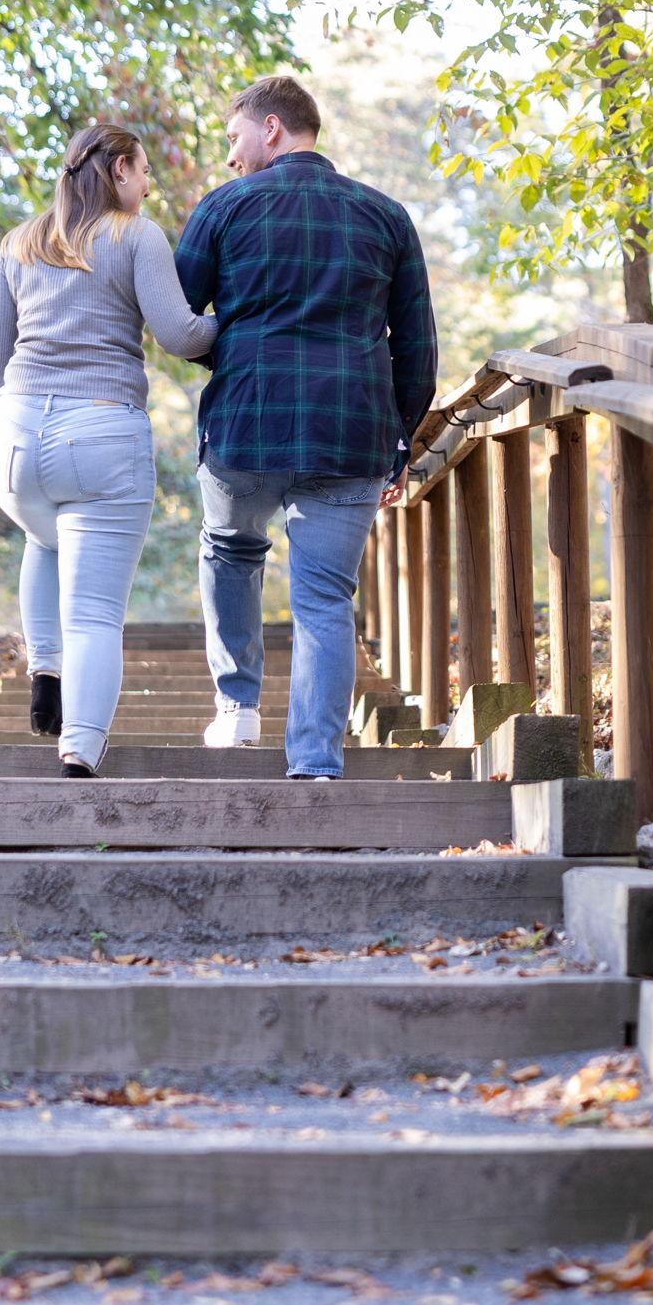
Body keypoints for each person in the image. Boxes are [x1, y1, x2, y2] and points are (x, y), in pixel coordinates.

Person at [175, 75, 437, 778]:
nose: (230, 158)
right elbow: (417, 348)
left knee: (230, 549)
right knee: (324, 598)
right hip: (351, 435)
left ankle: (237, 708)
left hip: (243, 429)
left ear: (270, 129)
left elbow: (176, 314)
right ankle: (315, 763)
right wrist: (400, 441)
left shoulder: (224, 208)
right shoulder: (385, 217)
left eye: (235, 139)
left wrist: (231, 351)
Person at [0, 121, 216, 777]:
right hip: (100, 432)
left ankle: (44, 667)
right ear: (122, 169)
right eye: (145, 170)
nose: (148, 183)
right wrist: (241, 323)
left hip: (12, 438)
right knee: (97, 614)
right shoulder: (136, 235)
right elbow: (179, 335)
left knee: (46, 538)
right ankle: (79, 746)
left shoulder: (20, 242)